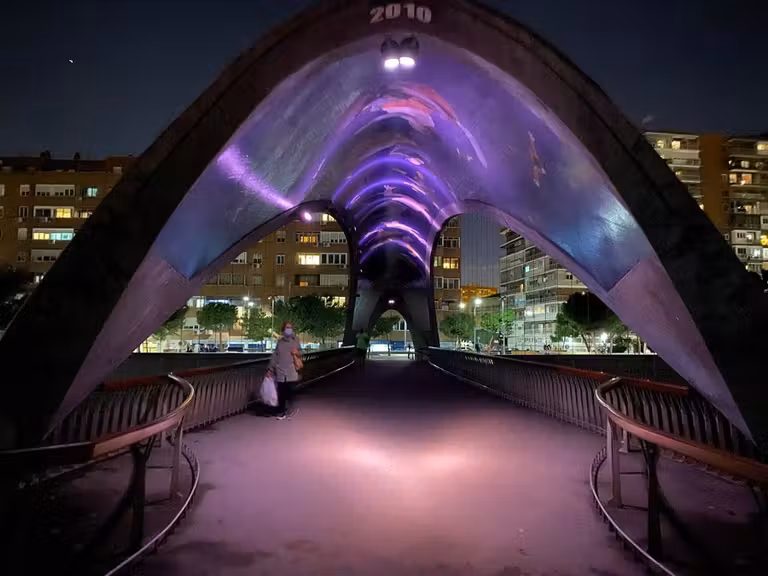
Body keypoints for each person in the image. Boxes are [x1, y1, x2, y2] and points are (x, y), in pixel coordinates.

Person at [267, 321, 302, 419]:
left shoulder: (295, 340)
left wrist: (297, 352)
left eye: (290, 327)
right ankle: (281, 412)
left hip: (291, 371)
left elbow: (301, 354)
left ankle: (289, 410)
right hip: (280, 371)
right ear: (283, 329)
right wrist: (270, 369)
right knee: (281, 393)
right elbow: (275, 356)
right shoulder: (280, 342)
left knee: (290, 392)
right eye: (287, 327)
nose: (289, 329)